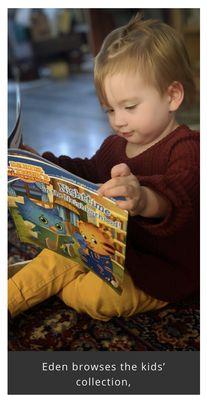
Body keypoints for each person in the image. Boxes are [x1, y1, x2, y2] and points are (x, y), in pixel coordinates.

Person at [8, 14, 199, 322]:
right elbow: (87, 170)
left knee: (96, 298)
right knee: (63, 245)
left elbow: (180, 195)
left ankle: (42, 282)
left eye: (130, 107)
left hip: (162, 269)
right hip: (115, 251)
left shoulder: (189, 147)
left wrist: (143, 199)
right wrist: (42, 162)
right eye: (110, 109)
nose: (118, 119)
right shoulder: (114, 145)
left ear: (172, 96)